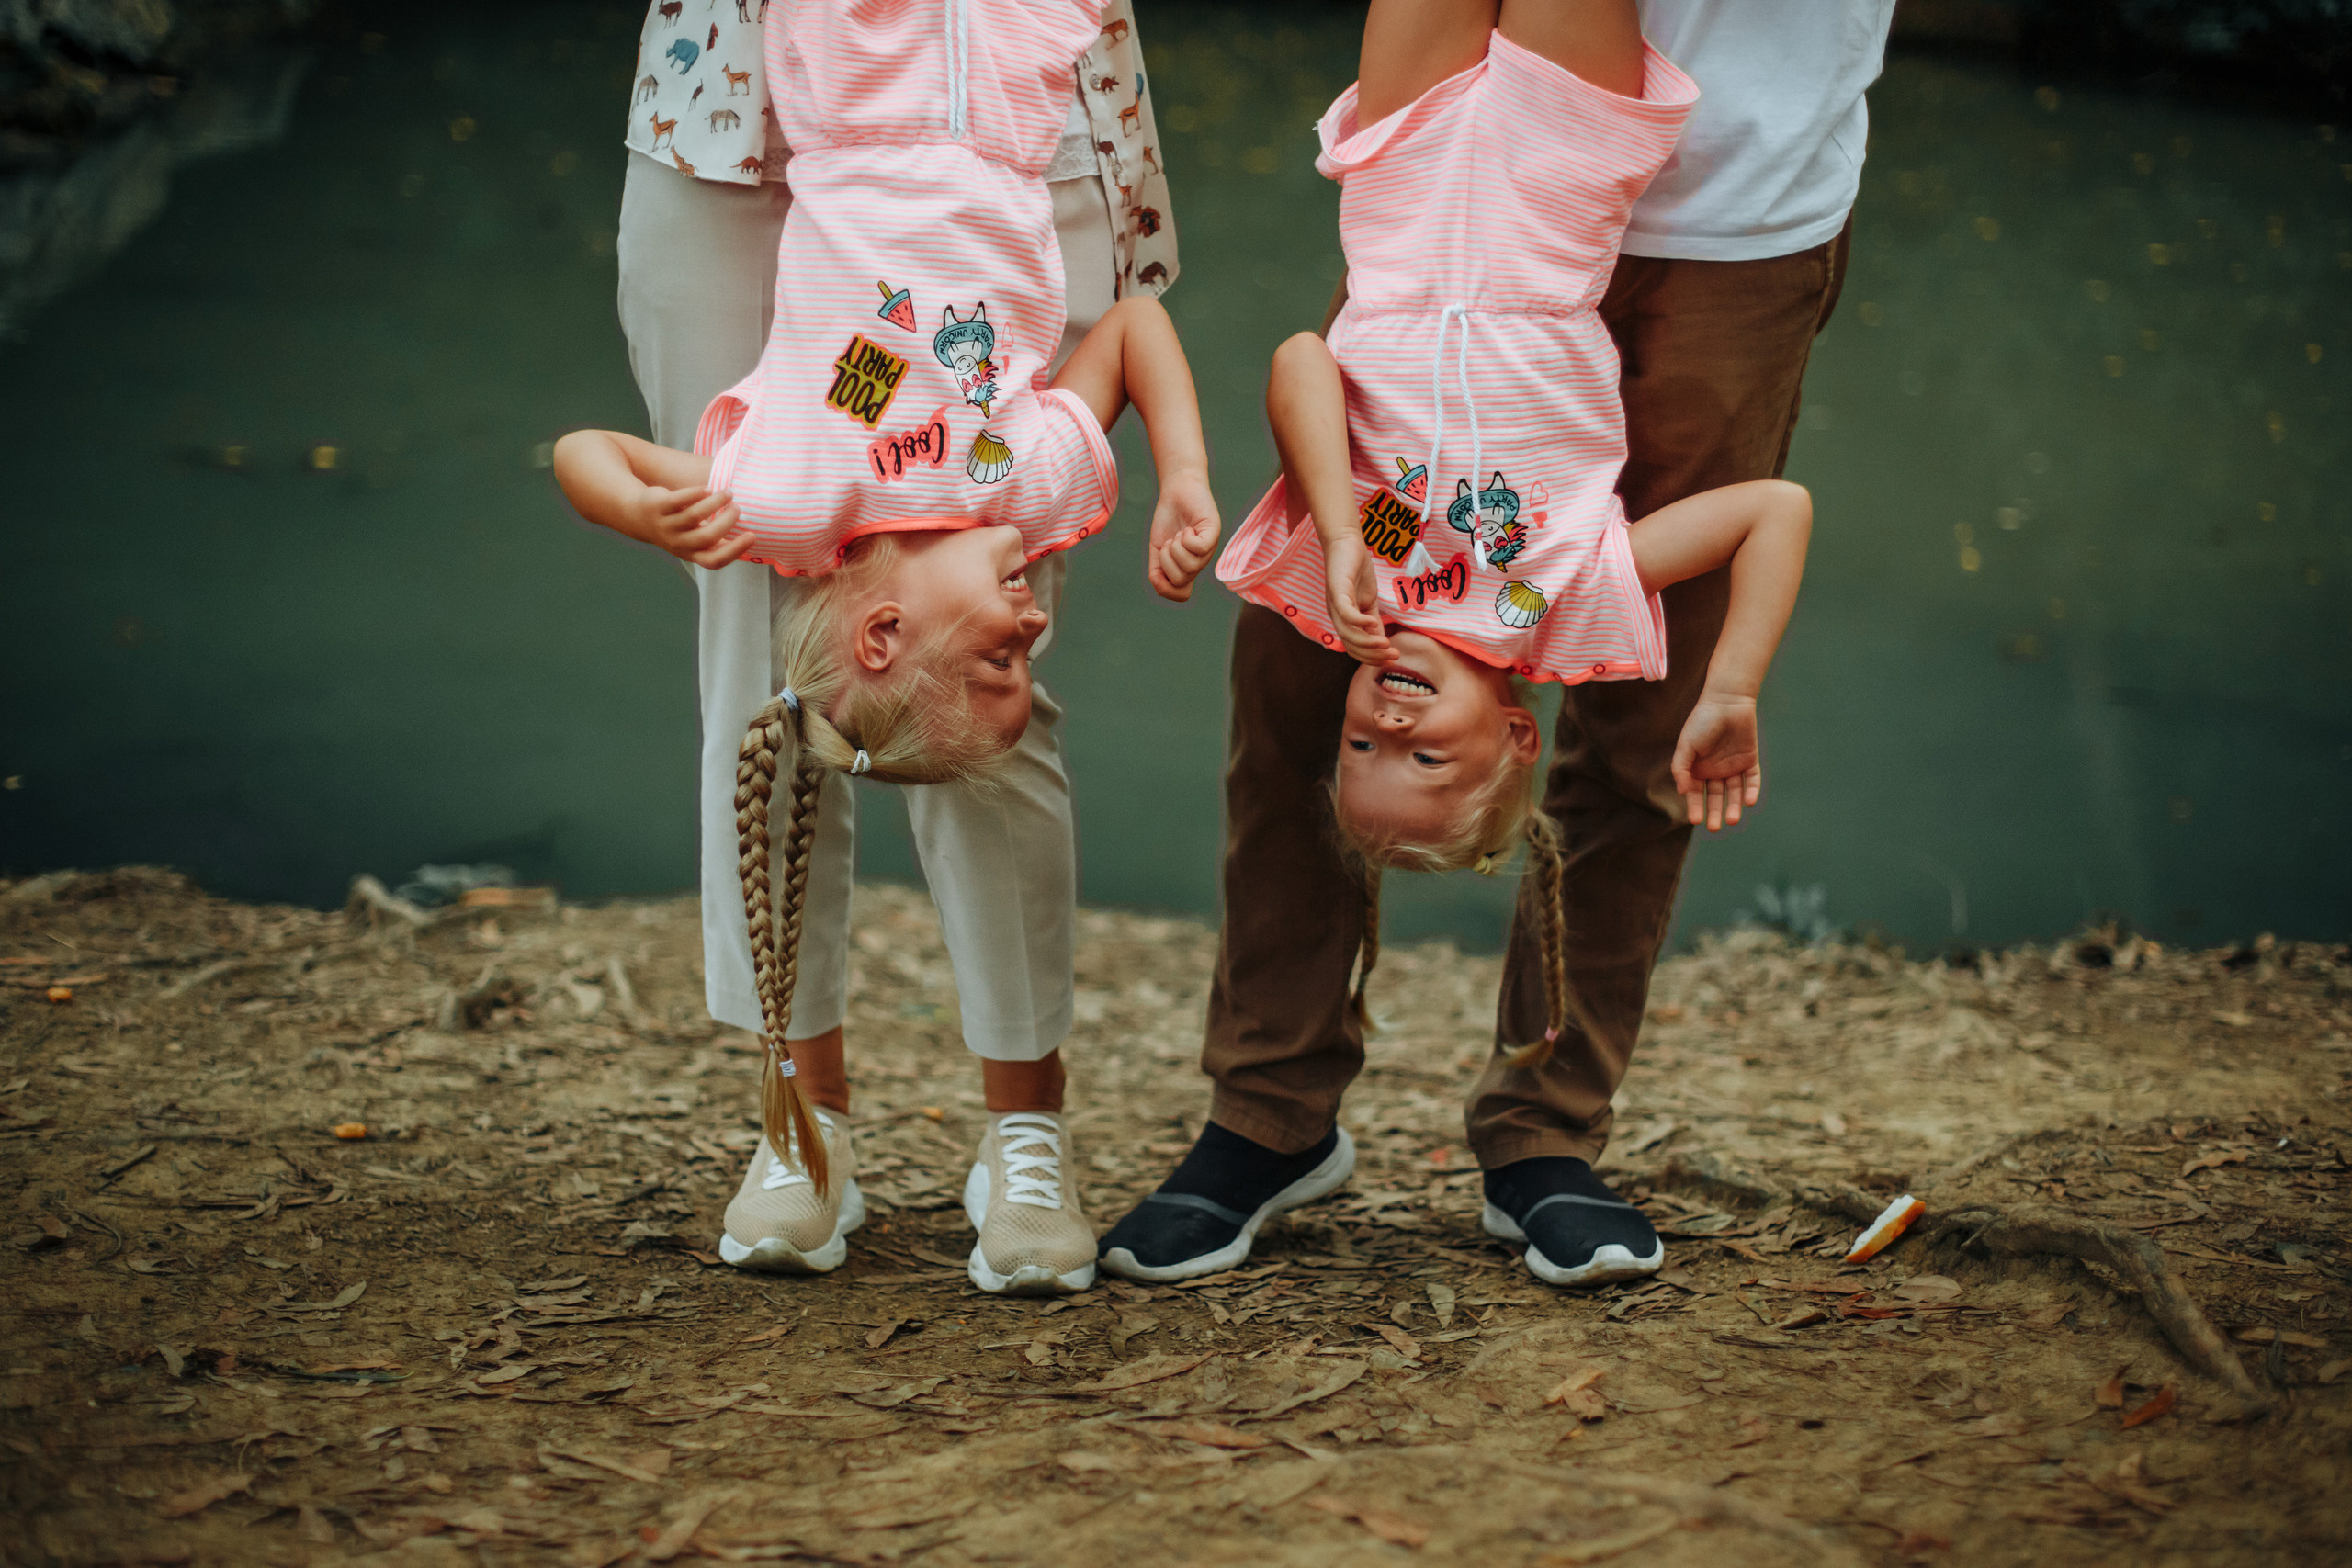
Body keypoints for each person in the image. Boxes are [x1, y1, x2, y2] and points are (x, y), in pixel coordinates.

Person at [1100, 0, 1893, 1288]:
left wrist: (1350, 534)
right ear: (1504, 734)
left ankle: (1541, 1132)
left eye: (1386, 740)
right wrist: (1739, 687)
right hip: (1522, 203)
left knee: (1632, 726)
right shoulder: (1557, 593)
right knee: (1317, 696)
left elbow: (1302, 368)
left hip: (1728, 195)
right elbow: (1766, 529)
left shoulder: (1399, 590)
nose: (1393, 717)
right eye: (1410, 752)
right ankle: (1270, 1114)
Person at [605, 0, 1185, 1296]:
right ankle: (800, 1123)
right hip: (732, 105)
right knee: (765, 653)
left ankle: (1025, 1129)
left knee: (986, 641)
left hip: (1018, 104)